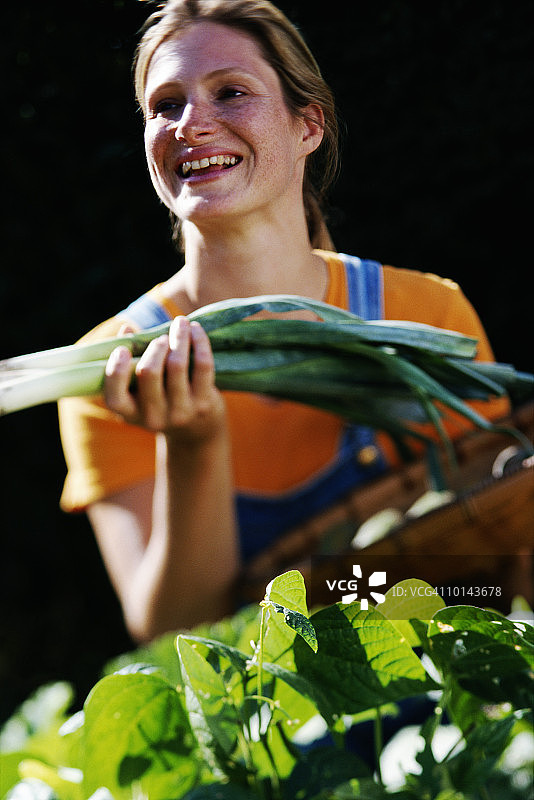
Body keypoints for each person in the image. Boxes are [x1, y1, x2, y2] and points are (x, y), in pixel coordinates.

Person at [58, 0, 509, 643]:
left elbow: (497, 565)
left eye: (231, 92)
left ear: (308, 126)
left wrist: (340, 601)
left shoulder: (426, 314)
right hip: (262, 733)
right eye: (165, 105)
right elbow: (175, 633)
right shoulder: (112, 369)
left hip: (438, 714)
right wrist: (193, 444)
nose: (192, 124)